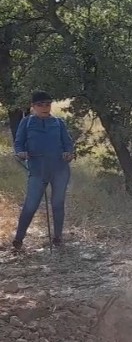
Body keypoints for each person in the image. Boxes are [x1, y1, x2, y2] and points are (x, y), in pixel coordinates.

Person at [12, 91, 74, 250]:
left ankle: (58, 238)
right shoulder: (26, 122)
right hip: (37, 169)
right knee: (31, 205)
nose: (45, 107)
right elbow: (18, 143)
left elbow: (68, 143)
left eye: (48, 104)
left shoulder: (59, 123)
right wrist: (20, 153)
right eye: (40, 104)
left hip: (59, 169)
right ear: (33, 106)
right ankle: (18, 239)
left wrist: (68, 153)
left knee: (58, 204)